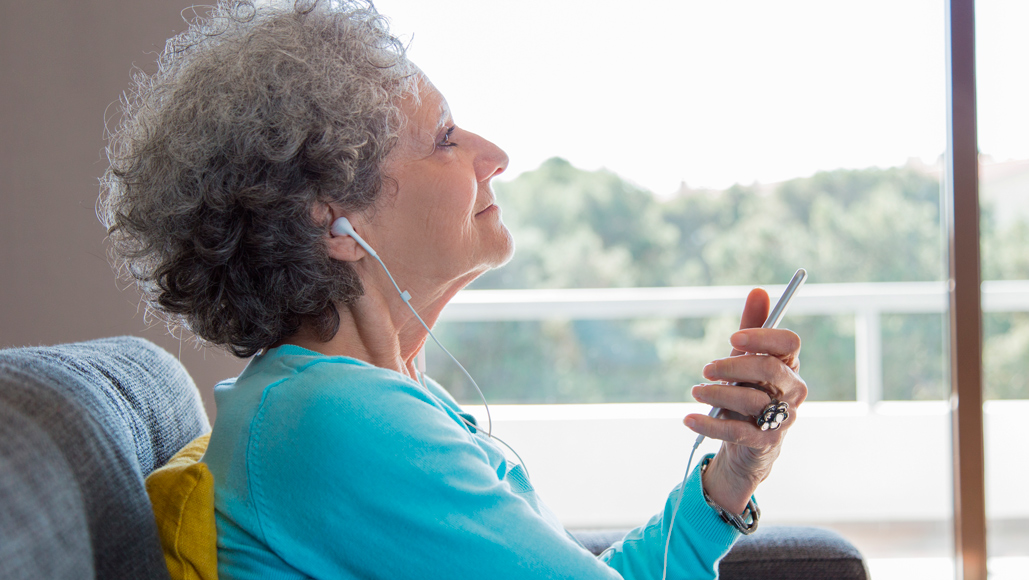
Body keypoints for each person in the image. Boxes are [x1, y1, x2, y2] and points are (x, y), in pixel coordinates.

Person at [98, 1, 807, 578]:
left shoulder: (350, 399)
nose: (493, 155)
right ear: (334, 219)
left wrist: (732, 477)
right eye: (443, 137)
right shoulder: (333, 420)